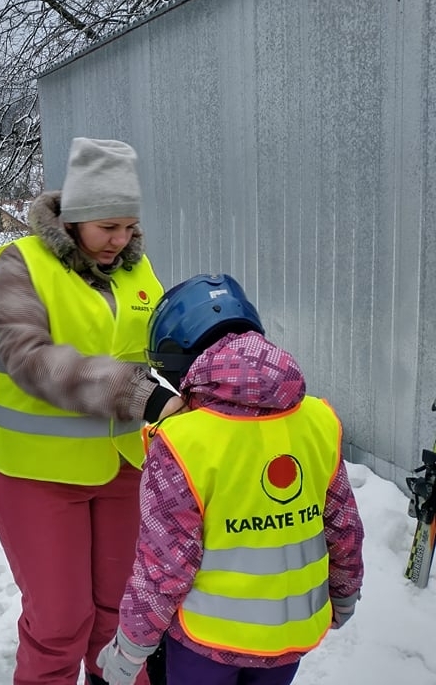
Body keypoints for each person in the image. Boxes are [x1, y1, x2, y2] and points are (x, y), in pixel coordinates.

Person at [0, 137, 184, 685]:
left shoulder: (137, 273)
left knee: (121, 618)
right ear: (74, 217)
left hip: (122, 469)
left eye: (128, 226)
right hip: (36, 476)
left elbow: (166, 348)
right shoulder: (18, 266)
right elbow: (32, 360)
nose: (120, 241)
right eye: (107, 227)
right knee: (59, 624)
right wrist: (145, 398)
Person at [97, 274, 365, 685]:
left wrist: (130, 648)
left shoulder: (183, 442)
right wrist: (345, 592)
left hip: (207, 645)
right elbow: (342, 524)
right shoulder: (318, 420)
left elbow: (164, 565)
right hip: (288, 638)